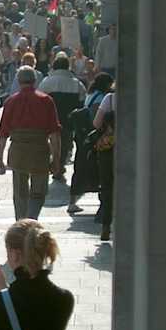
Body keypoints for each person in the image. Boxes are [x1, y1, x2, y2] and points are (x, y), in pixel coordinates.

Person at [0, 66, 61, 221]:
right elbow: (54, 135)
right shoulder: (46, 101)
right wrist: (56, 160)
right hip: (40, 150)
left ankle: (21, 222)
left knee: (20, 192)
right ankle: (32, 219)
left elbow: (3, 134)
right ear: (35, 80)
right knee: (39, 191)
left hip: (18, 150)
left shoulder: (11, 101)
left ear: (18, 81)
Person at [67, 73, 112, 214]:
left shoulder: (91, 94)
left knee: (81, 169)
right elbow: (96, 122)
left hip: (82, 137)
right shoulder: (102, 98)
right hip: (94, 138)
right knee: (99, 170)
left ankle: (72, 202)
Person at [39, 52, 86, 180]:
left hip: (50, 119)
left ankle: (54, 164)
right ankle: (60, 165)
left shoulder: (47, 82)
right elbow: (82, 102)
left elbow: (40, 101)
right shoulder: (76, 83)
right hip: (68, 120)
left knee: (51, 142)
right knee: (65, 143)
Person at [93, 90, 116, 241]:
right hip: (135, 148)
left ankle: (106, 226)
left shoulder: (110, 98)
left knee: (107, 187)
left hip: (109, 148)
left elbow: (96, 123)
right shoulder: (144, 95)